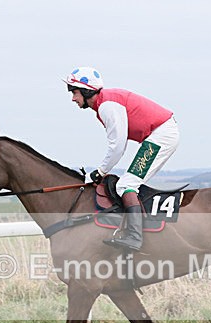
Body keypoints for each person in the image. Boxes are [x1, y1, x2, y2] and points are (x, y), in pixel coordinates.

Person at [64, 66, 180, 251]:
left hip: (162, 136)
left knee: (125, 185)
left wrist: (100, 171)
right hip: (160, 134)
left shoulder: (107, 106)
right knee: (127, 183)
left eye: (74, 92)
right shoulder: (105, 103)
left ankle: (134, 237)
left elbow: (117, 146)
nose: (72, 98)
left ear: (86, 91)